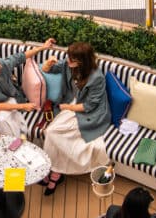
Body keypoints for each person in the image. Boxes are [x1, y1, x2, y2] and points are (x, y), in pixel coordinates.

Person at [40, 42, 110, 196]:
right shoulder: (68, 64)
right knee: (51, 131)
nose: (67, 60)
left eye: (71, 59)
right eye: (68, 57)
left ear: (82, 61)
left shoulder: (96, 77)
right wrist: (47, 65)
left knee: (53, 132)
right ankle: (54, 171)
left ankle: (55, 172)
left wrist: (68, 108)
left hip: (88, 112)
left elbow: (90, 105)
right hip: (72, 103)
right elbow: (49, 69)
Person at [0, 37, 56, 138]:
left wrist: (43, 47)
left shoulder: (2, 65)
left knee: (9, 118)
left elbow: (20, 57)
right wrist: (22, 106)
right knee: (4, 120)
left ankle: (17, 139)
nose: (0, 66)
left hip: (5, 100)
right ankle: (14, 142)